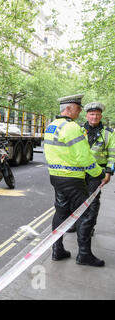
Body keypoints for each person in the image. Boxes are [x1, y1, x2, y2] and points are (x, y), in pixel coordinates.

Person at [44, 94, 107, 267]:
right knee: (86, 214)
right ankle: (84, 255)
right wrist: (99, 173)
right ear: (69, 108)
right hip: (72, 178)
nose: (80, 112)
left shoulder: (52, 125)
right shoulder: (72, 127)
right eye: (79, 108)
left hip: (56, 177)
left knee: (61, 211)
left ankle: (57, 251)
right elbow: (83, 157)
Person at [78, 102, 114, 236]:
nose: (94, 117)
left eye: (97, 115)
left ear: (101, 116)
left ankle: (88, 227)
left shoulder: (108, 133)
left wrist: (109, 172)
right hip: (79, 172)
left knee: (92, 201)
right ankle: (77, 224)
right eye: (92, 114)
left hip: (98, 173)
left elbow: (113, 154)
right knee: (77, 199)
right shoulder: (78, 130)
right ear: (87, 115)